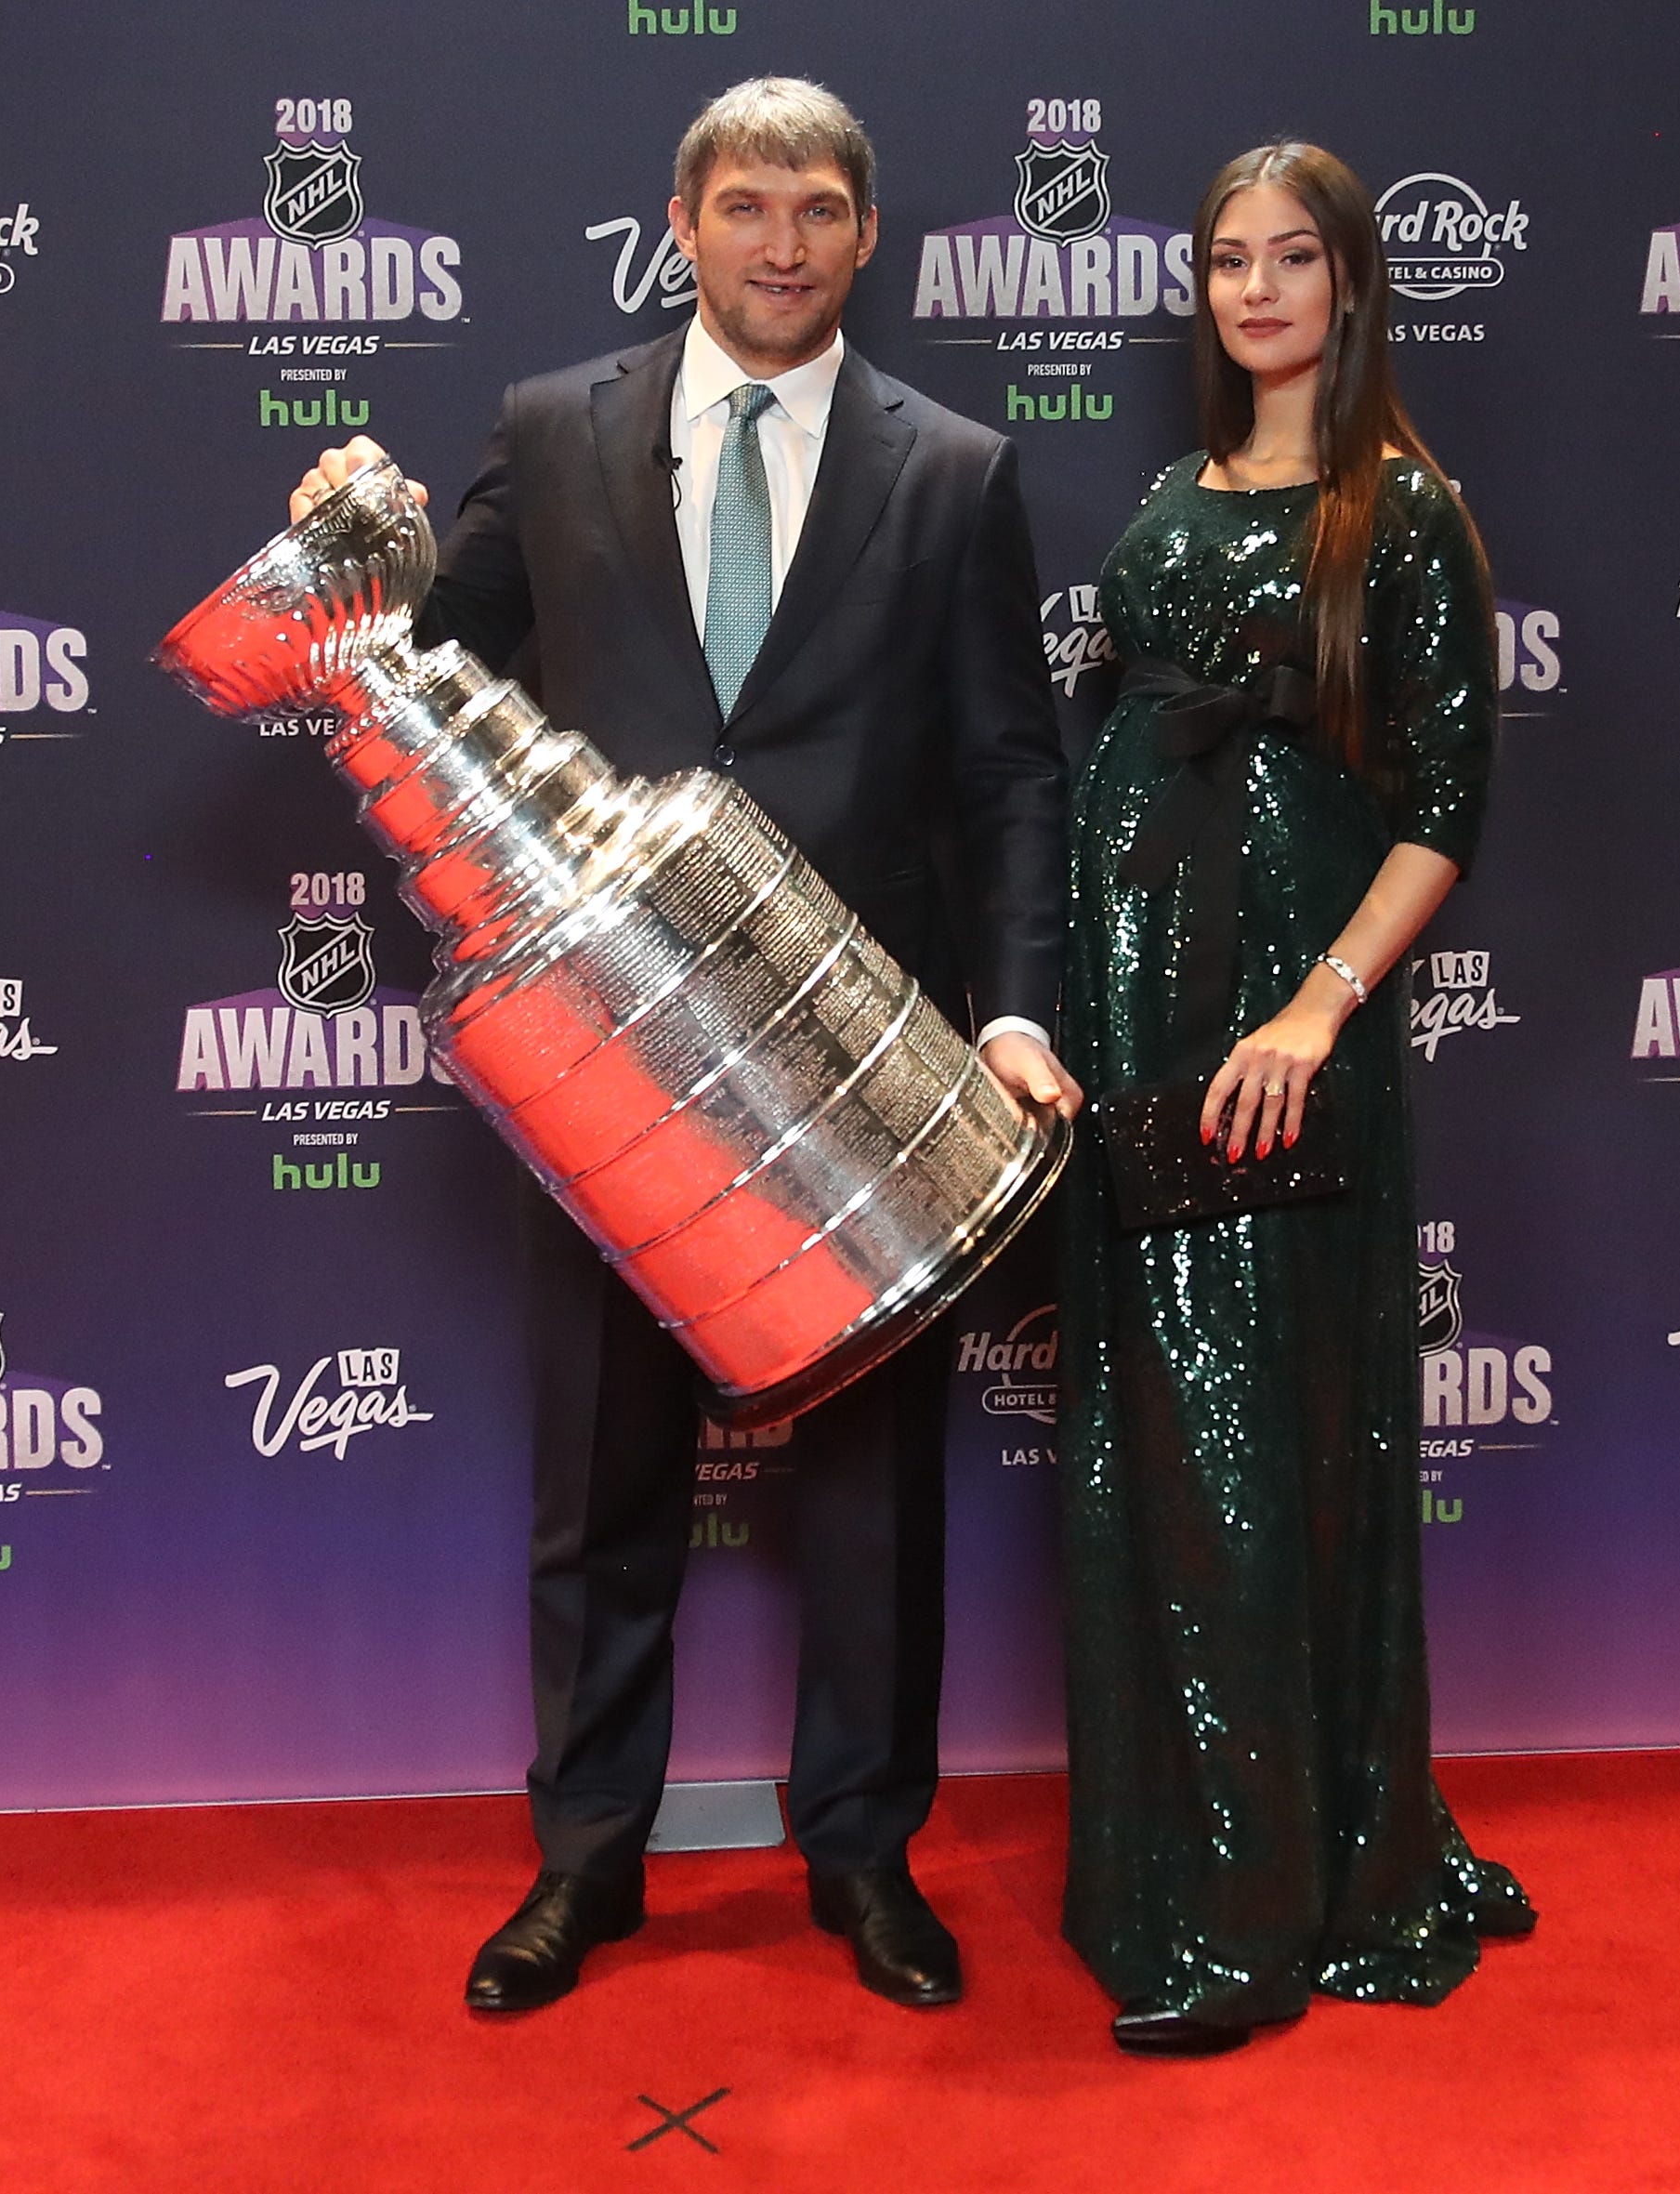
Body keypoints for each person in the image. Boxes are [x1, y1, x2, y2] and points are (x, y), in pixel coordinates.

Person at [291, 77, 1081, 2016]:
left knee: (871, 1489)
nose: (779, 242)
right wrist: (353, 538)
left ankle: (864, 1854)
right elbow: (421, 646)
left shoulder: (954, 470)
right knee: (600, 1469)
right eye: (744, 204)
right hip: (606, 1048)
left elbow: (1007, 772)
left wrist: (1011, 1008)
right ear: (680, 221)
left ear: (865, 235)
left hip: (862, 1049)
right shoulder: (551, 427)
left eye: (816, 208)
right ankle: (585, 1860)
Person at [1057, 139, 1533, 2057]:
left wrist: (1315, 1011)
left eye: (1290, 258)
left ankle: (1272, 1900)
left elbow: (1443, 809)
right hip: (1134, 1020)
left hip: (1277, 1045)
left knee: (1264, 1445)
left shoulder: (1402, 509)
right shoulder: (1174, 491)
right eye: (1224, 259)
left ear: (1350, 284)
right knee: (1159, 1446)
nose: (1253, 289)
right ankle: (1165, 1868)